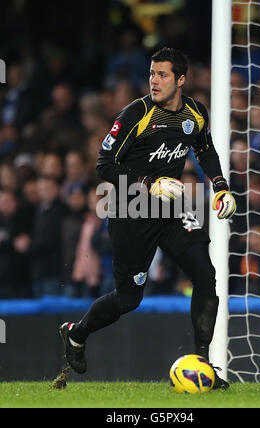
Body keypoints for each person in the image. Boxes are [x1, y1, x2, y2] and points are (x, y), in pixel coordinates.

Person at [59, 47, 236, 389]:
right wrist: (148, 183)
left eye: (163, 75)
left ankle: (203, 366)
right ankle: (76, 333)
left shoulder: (195, 113)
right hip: (132, 211)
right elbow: (103, 166)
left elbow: (204, 148)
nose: (154, 81)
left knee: (205, 273)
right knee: (129, 298)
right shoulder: (135, 114)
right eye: (152, 74)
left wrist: (220, 187)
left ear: (181, 80)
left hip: (170, 210)